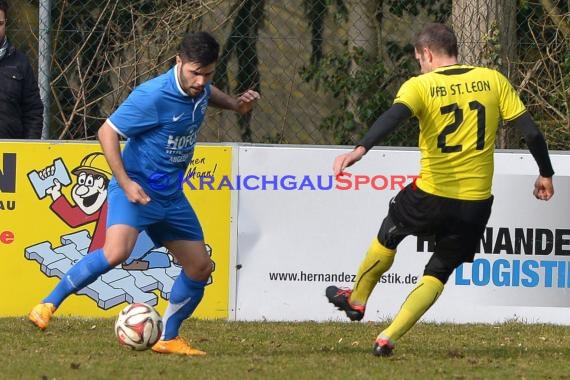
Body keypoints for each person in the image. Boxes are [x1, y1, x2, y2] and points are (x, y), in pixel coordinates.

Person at [325, 23, 554, 357]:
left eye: (419, 59)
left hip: (429, 194)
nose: (420, 65)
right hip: (475, 203)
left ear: (427, 53)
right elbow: (531, 133)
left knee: (389, 232)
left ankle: (357, 300)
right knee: (439, 271)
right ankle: (388, 336)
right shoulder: (493, 80)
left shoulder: (421, 85)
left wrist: (360, 149)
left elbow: (393, 117)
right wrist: (545, 173)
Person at [29, 31, 260, 356]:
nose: (201, 81)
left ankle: (168, 337)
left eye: (208, 74)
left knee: (200, 267)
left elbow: (209, 94)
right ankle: (47, 305)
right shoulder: (152, 95)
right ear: (178, 62)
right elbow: (106, 131)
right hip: (135, 189)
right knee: (116, 252)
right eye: (195, 73)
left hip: (170, 197)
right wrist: (124, 182)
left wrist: (236, 105)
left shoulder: (202, 87)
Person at [0, 0, 43, 139]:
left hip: (11, 153)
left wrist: (29, 148)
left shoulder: (20, 62)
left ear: (6, 22)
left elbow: (33, 111)